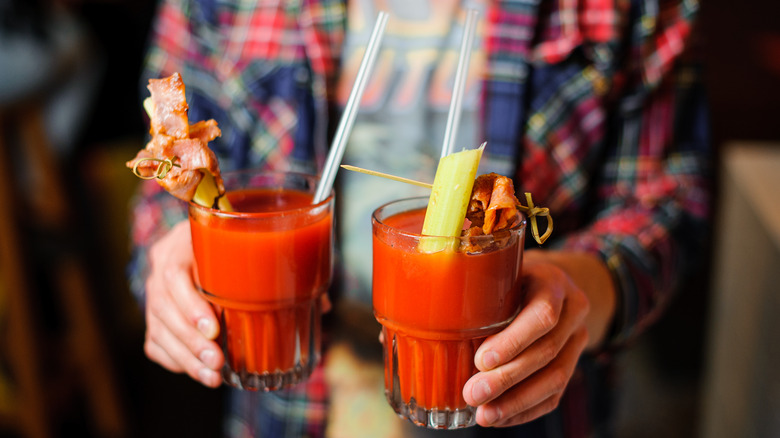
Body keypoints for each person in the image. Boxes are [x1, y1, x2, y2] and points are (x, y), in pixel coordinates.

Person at [127, 0, 711, 436]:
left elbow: (669, 199)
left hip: (528, 416)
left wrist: (583, 287)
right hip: (282, 412)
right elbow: (164, 186)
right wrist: (169, 254)